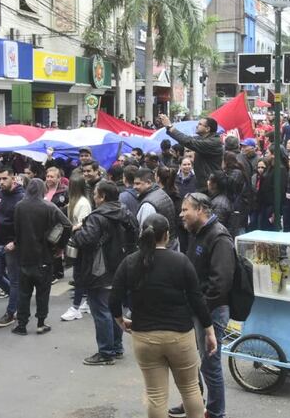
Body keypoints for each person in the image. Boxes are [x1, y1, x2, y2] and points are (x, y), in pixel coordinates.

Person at [111, 213, 216, 418]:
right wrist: (209, 330)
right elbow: (197, 300)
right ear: (167, 236)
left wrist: (121, 321)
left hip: (145, 337)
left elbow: (114, 299)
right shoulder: (181, 261)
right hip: (180, 336)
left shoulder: (130, 262)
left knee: (156, 395)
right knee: (190, 389)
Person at [172, 192, 234, 418]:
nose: (181, 214)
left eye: (185, 209)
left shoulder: (219, 237)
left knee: (210, 364)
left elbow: (221, 283)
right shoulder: (197, 232)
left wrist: (202, 310)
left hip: (211, 311)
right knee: (188, 357)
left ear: (200, 210)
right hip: (196, 308)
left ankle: (216, 412)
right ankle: (194, 401)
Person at [72, 180, 138, 365]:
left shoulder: (97, 217)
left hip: (100, 270)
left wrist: (77, 231)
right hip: (122, 268)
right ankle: (116, 347)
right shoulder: (126, 213)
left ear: (102, 197)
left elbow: (87, 240)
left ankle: (106, 352)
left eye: (95, 194)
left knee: (102, 311)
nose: (93, 197)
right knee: (114, 309)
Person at [11, 178, 72, 335]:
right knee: (43, 292)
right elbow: (67, 225)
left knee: (24, 293)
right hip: (44, 256)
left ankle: (22, 324)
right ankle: (41, 323)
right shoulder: (49, 206)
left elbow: (16, 232)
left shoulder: (19, 206)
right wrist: (59, 246)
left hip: (24, 257)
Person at [0, 167, 23, 328]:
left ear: (13, 178)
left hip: (12, 245)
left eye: (4, 179)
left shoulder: (21, 197)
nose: (1, 182)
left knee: (15, 279)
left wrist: (16, 242)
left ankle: (11, 312)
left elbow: (25, 224)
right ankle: (18, 298)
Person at [159, 114, 223, 192]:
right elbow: (186, 139)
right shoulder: (204, 139)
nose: (197, 126)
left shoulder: (213, 142)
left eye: (200, 124)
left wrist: (170, 127)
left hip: (210, 186)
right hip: (205, 185)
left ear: (207, 129)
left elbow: (189, 141)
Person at [61, 173, 93, 321]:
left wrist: (72, 228)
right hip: (77, 241)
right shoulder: (74, 202)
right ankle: (86, 302)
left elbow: (85, 222)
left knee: (79, 275)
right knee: (80, 274)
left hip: (82, 243)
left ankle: (76, 307)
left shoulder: (82, 203)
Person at [135, 168, 179, 251]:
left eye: (138, 183)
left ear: (148, 183)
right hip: (169, 247)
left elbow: (145, 234)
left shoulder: (148, 205)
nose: (134, 187)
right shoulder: (161, 193)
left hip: (156, 251)